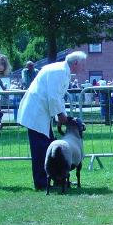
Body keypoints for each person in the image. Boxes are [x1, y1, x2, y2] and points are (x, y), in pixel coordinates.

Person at [17, 51, 87, 190]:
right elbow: (53, 96)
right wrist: (61, 116)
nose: (84, 67)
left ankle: (57, 178)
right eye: (83, 64)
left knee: (49, 147)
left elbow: (58, 98)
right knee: (40, 150)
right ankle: (42, 183)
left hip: (42, 114)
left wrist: (63, 116)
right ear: (76, 63)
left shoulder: (63, 71)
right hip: (37, 113)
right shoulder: (59, 71)